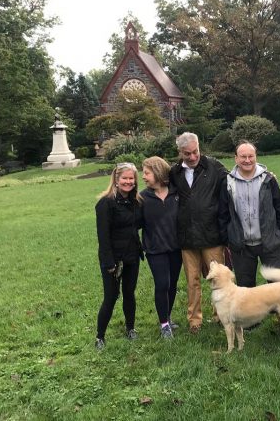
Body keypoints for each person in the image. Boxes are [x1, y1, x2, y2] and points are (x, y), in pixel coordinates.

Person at [169, 132, 228, 334]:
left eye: (196, 151)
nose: (193, 157)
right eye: (187, 154)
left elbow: (237, 176)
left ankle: (220, 315)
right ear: (180, 152)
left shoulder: (214, 167)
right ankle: (195, 320)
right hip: (186, 236)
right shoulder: (174, 172)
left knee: (218, 279)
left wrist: (265, 173)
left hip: (211, 234)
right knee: (192, 281)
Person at [218, 142, 280, 287]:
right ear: (236, 158)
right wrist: (228, 238)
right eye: (243, 156)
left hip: (270, 242)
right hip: (241, 246)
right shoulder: (227, 182)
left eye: (250, 156)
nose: (247, 160)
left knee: (277, 287)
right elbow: (223, 213)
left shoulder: (268, 179)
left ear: (256, 157)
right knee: (245, 289)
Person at [94, 162, 143, 350]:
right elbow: (103, 236)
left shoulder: (135, 202)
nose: (128, 182)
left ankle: (130, 328)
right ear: (116, 179)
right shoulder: (105, 203)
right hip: (114, 259)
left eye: (131, 178)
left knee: (129, 293)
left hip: (132, 256)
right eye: (125, 178)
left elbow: (139, 225)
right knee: (111, 296)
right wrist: (109, 262)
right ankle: (100, 336)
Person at [141, 156, 181, 339]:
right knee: (162, 284)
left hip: (175, 248)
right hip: (155, 249)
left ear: (157, 172)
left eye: (147, 173)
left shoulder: (176, 192)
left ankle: (168, 316)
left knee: (172, 284)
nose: (143, 177)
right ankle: (164, 324)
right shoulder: (142, 197)